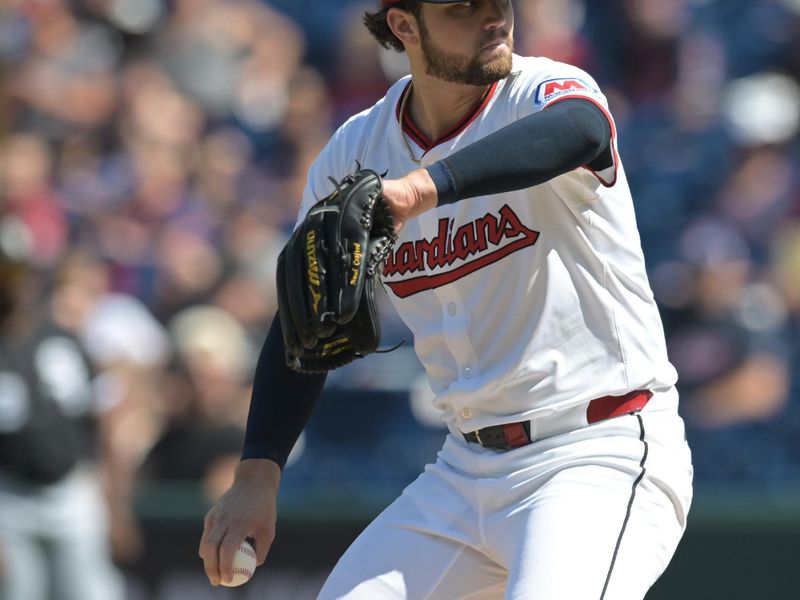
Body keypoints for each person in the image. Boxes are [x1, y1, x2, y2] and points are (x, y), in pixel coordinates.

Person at [199, 1, 694, 598]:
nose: (493, 18)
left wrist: (419, 190)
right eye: (465, 8)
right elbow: (306, 322)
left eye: (498, 2)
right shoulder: (355, 150)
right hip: (463, 471)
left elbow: (580, 130)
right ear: (405, 25)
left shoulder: (540, 92)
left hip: (598, 452)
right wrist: (259, 471)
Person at [0, 218, 125, 600]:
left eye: (18, 273)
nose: (14, 285)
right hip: (9, 496)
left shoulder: (63, 339)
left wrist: (115, 503)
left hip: (73, 489)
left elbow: (103, 420)